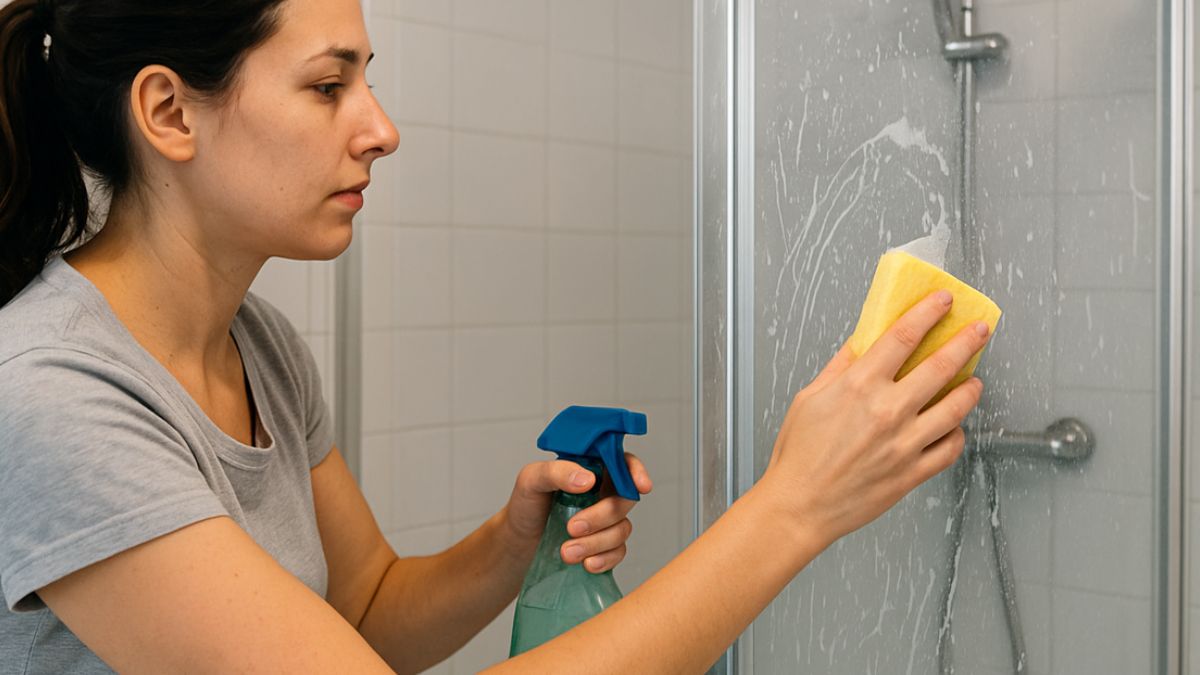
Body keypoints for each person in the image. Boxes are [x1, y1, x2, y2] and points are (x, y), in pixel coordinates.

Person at [0, 0, 992, 673]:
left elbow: (370, 614)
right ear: (169, 111)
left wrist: (512, 545)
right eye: (327, 86)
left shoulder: (256, 345)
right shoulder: (54, 399)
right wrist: (796, 506)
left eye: (368, 82)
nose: (380, 128)